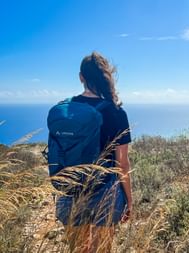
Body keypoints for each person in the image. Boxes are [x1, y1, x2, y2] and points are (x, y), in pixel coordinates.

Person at [55, 52, 132, 252]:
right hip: (105, 191)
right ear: (106, 76)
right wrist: (129, 201)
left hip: (70, 191)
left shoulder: (64, 111)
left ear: (81, 77)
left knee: (79, 250)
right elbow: (122, 164)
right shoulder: (116, 112)